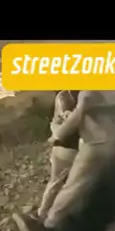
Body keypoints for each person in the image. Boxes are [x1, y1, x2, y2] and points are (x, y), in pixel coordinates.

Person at [12, 89, 115, 231]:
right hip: (98, 143)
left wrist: (56, 136)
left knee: (75, 185)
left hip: (98, 144)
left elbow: (79, 113)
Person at [36, 91, 80, 220]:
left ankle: (45, 215)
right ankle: (46, 216)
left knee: (57, 183)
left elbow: (57, 122)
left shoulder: (63, 96)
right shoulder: (68, 97)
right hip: (71, 147)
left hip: (62, 147)